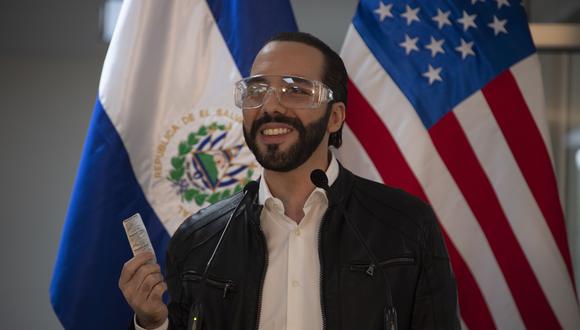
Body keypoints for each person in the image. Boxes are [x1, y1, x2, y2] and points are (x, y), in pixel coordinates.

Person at [119, 32, 459, 330]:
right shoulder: (198, 240)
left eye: (295, 90)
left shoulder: (406, 226)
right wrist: (152, 324)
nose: (270, 106)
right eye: (257, 90)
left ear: (335, 117)